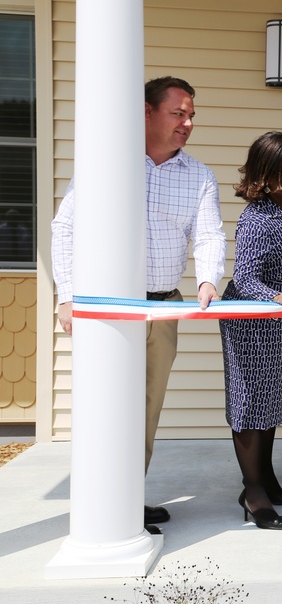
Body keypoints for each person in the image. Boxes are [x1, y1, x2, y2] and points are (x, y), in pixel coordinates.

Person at [51, 76, 227, 535]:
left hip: (163, 309)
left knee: (145, 411)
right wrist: (66, 295)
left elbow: (208, 235)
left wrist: (208, 279)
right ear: (147, 112)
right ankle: (100, 505)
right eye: (178, 113)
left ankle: (127, 501)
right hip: (109, 312)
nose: (188, 122)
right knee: (106, 409)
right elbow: (64, 228)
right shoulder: (107, 165)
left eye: (191, 115)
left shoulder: (199, 176)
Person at [219, 131, 282, 531]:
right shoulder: (256, 219)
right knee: (250, 407)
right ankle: (253, 493)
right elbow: (244, 278)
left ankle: (266, 478)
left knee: (272, 404)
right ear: (268, 175)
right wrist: (278, 296)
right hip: (252, 326)